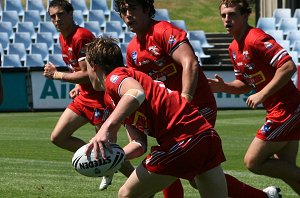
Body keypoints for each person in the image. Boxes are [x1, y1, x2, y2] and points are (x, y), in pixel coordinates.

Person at [102, 0, 281, 197]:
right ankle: (263, 196)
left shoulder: (163, 30)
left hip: (198, 105)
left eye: (133, 8)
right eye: (124, 10)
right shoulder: (132, 50)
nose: (128, 14)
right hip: (172, 116)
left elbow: (190, 63)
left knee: (172, 159)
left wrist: (185, 99)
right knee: (195, 174)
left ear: (146, 9)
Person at [84, 36, 228, 198]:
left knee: (126, 195)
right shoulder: (114, 97)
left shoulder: (114, 77)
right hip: (204, 136)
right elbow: (138, 144)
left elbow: (135, 93)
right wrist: (113, 159)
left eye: (86, 66)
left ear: (94, 67)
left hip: (182, 140)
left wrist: (105, 128)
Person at [208, 0, 300, 196]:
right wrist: (223, 87)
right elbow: (244, 84)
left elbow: (288, 67)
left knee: (253, 161)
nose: (227, 20)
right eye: (224, 15)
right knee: (288, 170)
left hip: (288, 109)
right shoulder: (234, 48)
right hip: (279, 110)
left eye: (232, 14)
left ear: (245, 15)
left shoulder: (256, 39)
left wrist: (262, 93)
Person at [43, 0, 134, 190]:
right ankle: (99, 161)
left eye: (60, 14)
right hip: (84, 97)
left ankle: (140, 185)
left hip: (100, 98)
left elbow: (89, 73)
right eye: (53, 16)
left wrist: (57, 75)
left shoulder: (81, 36)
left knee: (108, 149)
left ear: (70, 14)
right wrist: (77, 85)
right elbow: (81, 71)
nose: (57, 19)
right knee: (57, 137)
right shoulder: (63, 37)